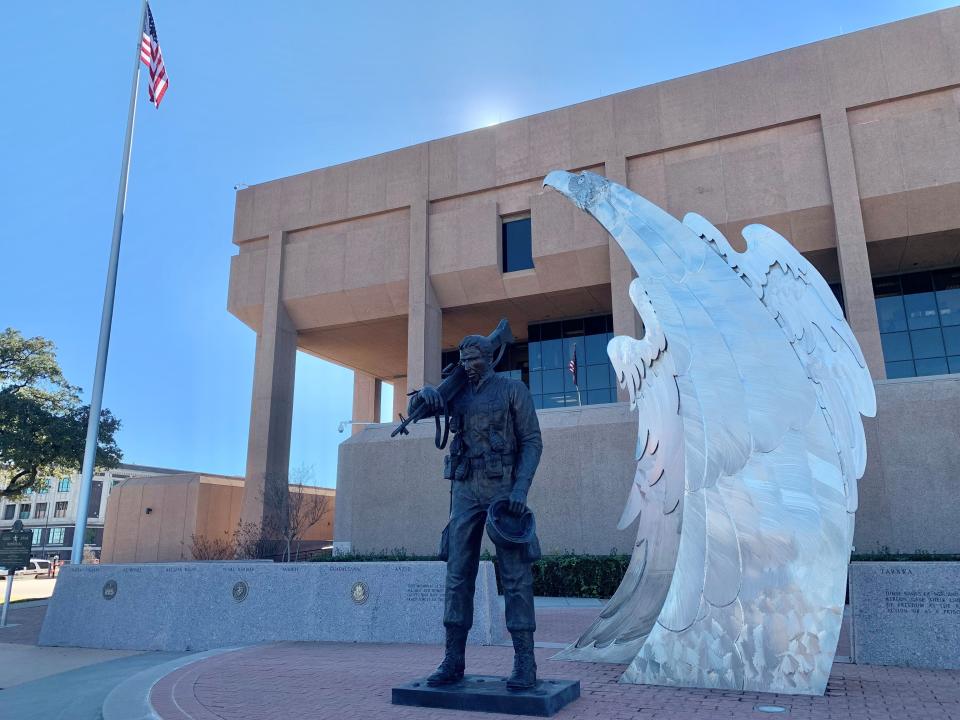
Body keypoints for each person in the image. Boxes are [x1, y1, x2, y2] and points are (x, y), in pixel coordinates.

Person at [409, 333, 543, 690]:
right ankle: (453, 659)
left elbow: (532, 441)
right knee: (457, 574)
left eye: (474, 359)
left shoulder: (514, 391)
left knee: (515, 575)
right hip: (466, 488)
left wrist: (520, 488)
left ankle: (525, 661)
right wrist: (426, 395)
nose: (467, 366)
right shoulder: (457, 392)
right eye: (463, 360)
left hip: (503, 488)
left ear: (490, 358)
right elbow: (419, 413)